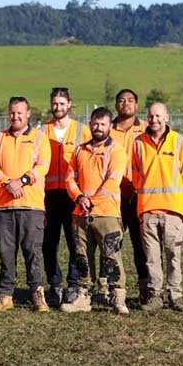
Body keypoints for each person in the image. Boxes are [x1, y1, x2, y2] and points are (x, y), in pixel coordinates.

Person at [60, 107, 129, 315]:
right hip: (81, 214)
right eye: (95, 123)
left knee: (111, 256)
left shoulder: (115, 150)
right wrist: (79, 198)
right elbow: (69, 178)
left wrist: (92, 200)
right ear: (90, 124)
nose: (98, 128)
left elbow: (113, 179)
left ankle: (118, 296)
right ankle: (84, 295)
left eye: (103, 124)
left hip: (106, 213)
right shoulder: (80, 150)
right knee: (82, 257)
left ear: (109, 126)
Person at [0, 96, 51, 313]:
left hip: (31, 205)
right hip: (4, 206)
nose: (15, 116)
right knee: (6, 252)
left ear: (28, 113)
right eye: (12, 113)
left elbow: (42, 166)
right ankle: (6, 294)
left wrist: (22, 180)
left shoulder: (40, 138)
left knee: (33, 251)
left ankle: (37, 294)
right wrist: (6, 183)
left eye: (20, 113)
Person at [132, 102, 183, 312]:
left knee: (173, 255)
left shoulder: (178, 142)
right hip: (148, 210)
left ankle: (175, 296)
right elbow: (135, 175)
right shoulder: (138, 142)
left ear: (167, 117)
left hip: (173, 211)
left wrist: (176, 201)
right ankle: (155, 296)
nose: (154, 120)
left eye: (158, 116)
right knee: (151, 257)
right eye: (150, 116)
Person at [42, 87, 91, 307]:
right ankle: (54, 285)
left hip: (73, 195)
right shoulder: (41, 131)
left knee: (75, 243)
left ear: (70, 104)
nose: (58, 107)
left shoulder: (83, 131)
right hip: (48, 196)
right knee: (48, 244)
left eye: (62, 103)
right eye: (55, 103)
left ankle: (73, 285)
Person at [110, 89, 149, 300]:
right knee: (110, 243)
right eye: (121, 100)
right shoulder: (107, 128)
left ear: (137, 105)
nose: (126, 104)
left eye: (130, 100)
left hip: (138, 195)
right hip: (113, 196)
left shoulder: (145, 129)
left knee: (140, 243)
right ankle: (108, 287)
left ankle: (146, 286)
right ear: (116, 105)